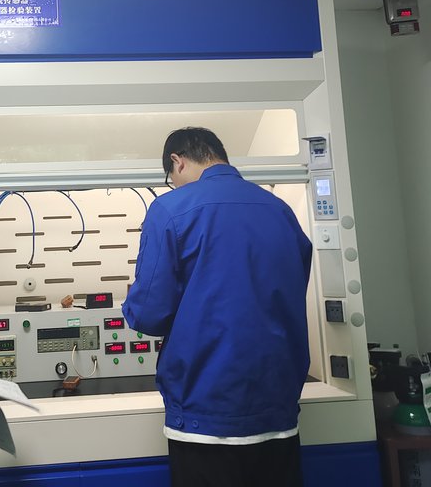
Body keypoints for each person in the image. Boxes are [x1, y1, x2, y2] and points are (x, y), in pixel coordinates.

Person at [122, 127, 312, 487]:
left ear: (177, 161)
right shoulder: (280, 210)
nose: (174, 185)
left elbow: (149, 315)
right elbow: (290, 290)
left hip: (204, 417)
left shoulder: (170, 209)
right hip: (277, 411)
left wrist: (131, 302)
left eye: (170, 178)